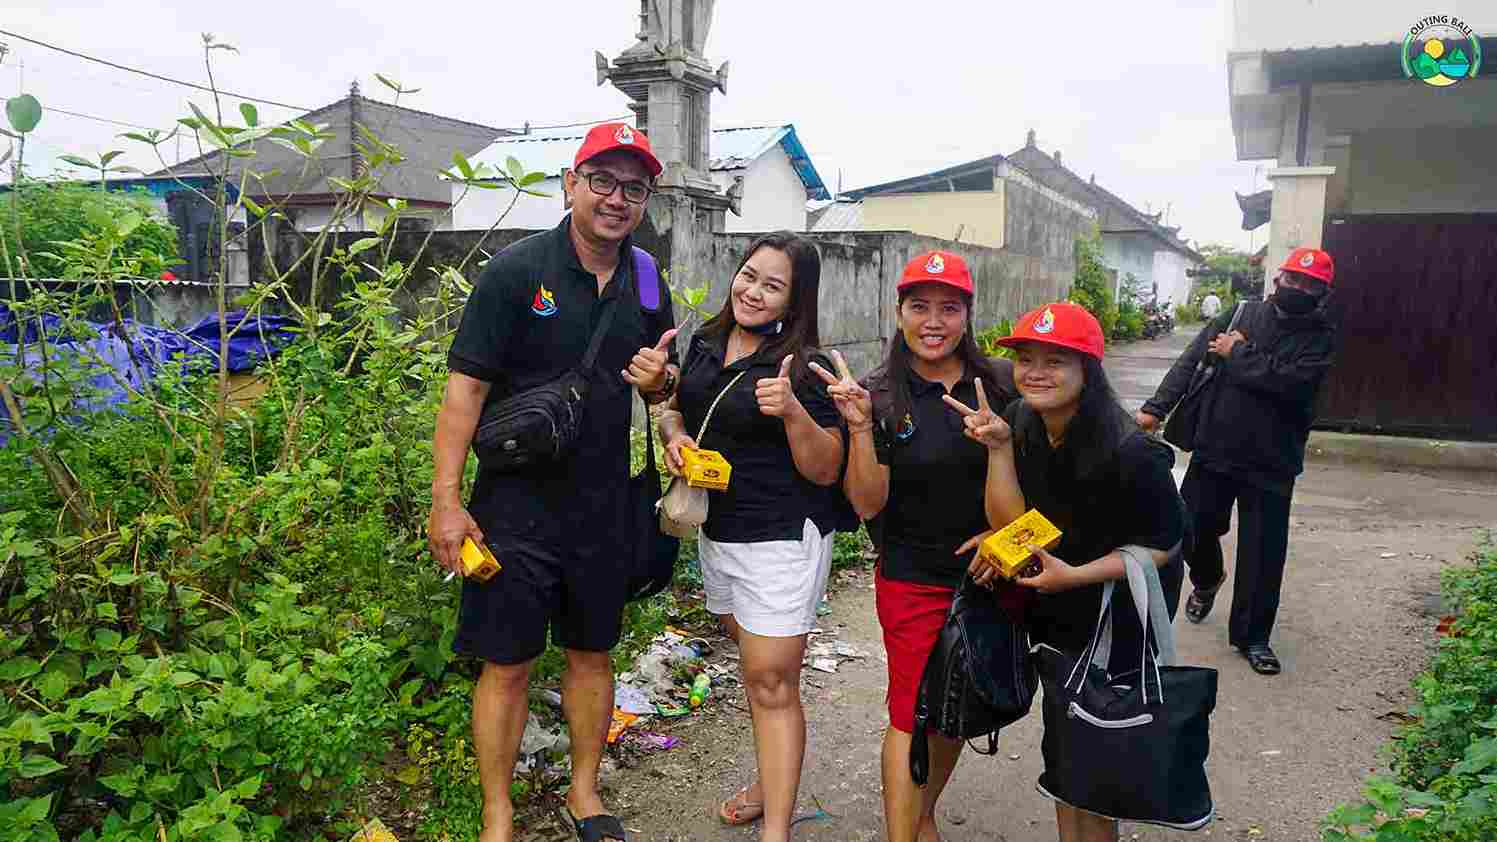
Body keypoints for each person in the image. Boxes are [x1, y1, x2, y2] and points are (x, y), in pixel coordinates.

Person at [428, 123, 678, 842]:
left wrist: (662, 394)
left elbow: (661, 393)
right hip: (512, 505)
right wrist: (446, 503)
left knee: (592, 653)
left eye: (633, 188)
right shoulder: (513, 272)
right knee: (506, 662)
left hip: (604, 504)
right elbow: (463, 394)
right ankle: (497, 815)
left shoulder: (648, 279)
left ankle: (584, 795)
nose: (616, 198)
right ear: (569, 183)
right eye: (601, 180)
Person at [944, 301, 1184, 842]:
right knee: (1064, 751)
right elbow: (1021, 519)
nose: (1036, 372)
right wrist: (1000, 455)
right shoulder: (1026, 420)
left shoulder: (1133, 452)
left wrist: (1071, 576)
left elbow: (1164, 545)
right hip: (1055, 618)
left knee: (1095, 764)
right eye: (1027, 358)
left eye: (1056, 360)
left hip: (1117, 624)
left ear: (1088, 371)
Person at [813, 250, 1017, 842]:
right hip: (912, 576)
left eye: (948, 307)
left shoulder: (1000, 385)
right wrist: (856, 427)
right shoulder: (876, 393)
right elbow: (868, 504)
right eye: (919, 306)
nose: (933, 321)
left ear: (967, 314)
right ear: (899, 312)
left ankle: (923, 812)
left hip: (991, 576)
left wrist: (1005, 541)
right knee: (912, 709)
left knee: (959, 705)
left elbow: (1046, 486)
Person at [655, 232, 847, 842]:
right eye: (748, 274)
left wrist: (792, 410)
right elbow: (678, 410)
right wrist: (674, 434)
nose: (753, 291)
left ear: (795, 301)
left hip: (782, 538)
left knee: (770, 679)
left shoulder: (807, 367)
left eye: (773, 285)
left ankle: (777, 828)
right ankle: (773, 780)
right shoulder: (708, 342)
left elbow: (828, 468)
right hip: (721, 533)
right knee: (757, 665)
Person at [1137, 247, 1337, 675]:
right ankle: (1208, 578)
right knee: (1191, 529)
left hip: (1273, 461)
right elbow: (1192, 360)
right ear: (1278, 278)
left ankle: (1253, 637)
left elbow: (1292, 384)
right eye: (1293, 280)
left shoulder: (1321, 338)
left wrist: (1239, 354)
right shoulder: (1240, 315)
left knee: (1263, 553)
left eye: (1309, 285)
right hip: (1216, 448)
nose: (1298, 289)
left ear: (1322, 293)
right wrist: (1156, 407)